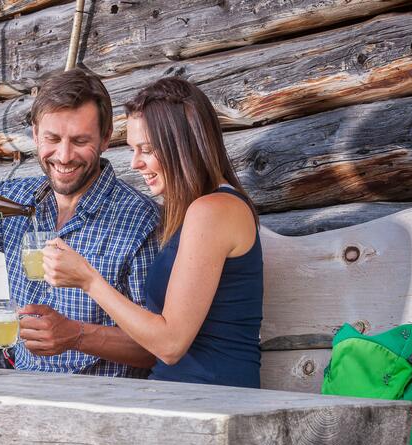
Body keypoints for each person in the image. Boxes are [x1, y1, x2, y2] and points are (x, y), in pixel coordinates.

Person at [0, 68, 160, 377]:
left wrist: (76, 335)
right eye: (52, 139)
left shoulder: (140, 219)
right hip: (21, 392)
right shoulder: (14, 201)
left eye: (79, 140)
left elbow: (155, 348)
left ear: (104, 139)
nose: (63, 155)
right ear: (35, 135)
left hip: (101, 404)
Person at [41, 77, 263, 388]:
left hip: (211, 398)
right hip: (174, 392)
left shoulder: (213, 210)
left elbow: (170, 344)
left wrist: (89, 280)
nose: (135, 162)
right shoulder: (190, 211)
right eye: (133, 149)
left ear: (181, 143)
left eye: (146, 149)